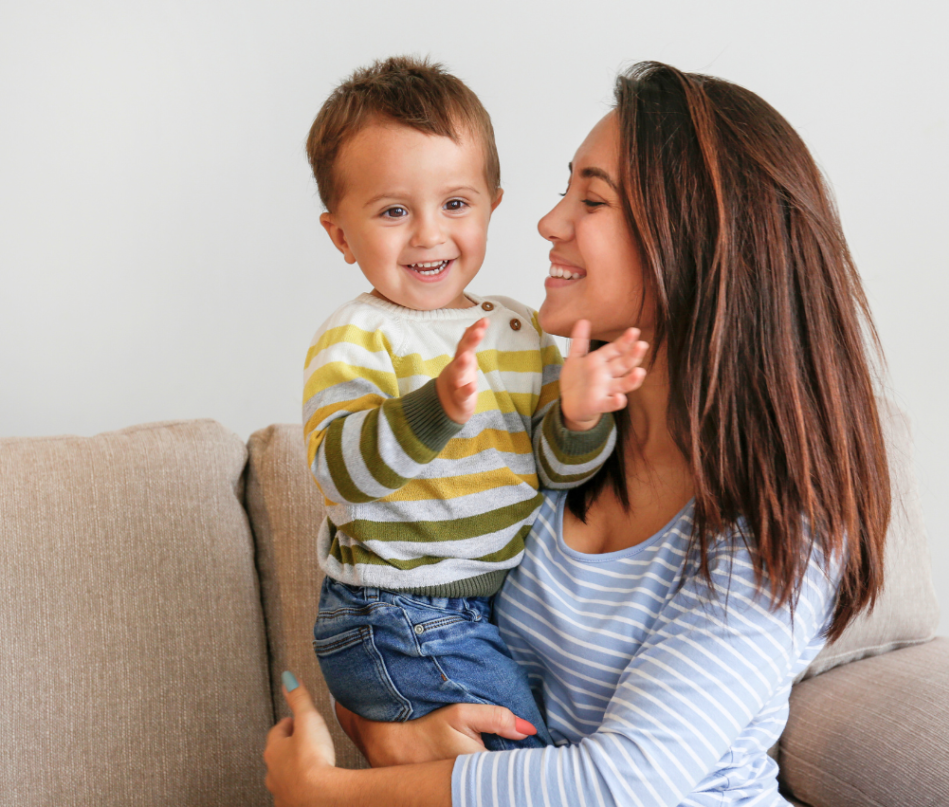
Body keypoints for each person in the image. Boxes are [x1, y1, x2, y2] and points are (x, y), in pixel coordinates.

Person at [266, 61, 890, 806]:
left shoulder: (782, 525)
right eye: (566, 189)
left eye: (590, 198)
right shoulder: (549, 437)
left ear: (686, 243)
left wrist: (323, 791)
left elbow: (621, 784)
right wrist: (379, 727)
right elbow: (408, 631)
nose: (547, 222)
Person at [302, 56, 649, 752]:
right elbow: (339, 475)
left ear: (493, 203)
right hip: (395, 610)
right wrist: (432, 409)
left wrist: (578, 418)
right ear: (341, 234)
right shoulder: (359, 335)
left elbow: (554, 469)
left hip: (482, 608)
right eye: (394, 211)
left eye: (455, 204)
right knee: (521, 755)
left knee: (520, 752)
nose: (429, 234)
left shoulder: (521, 330)